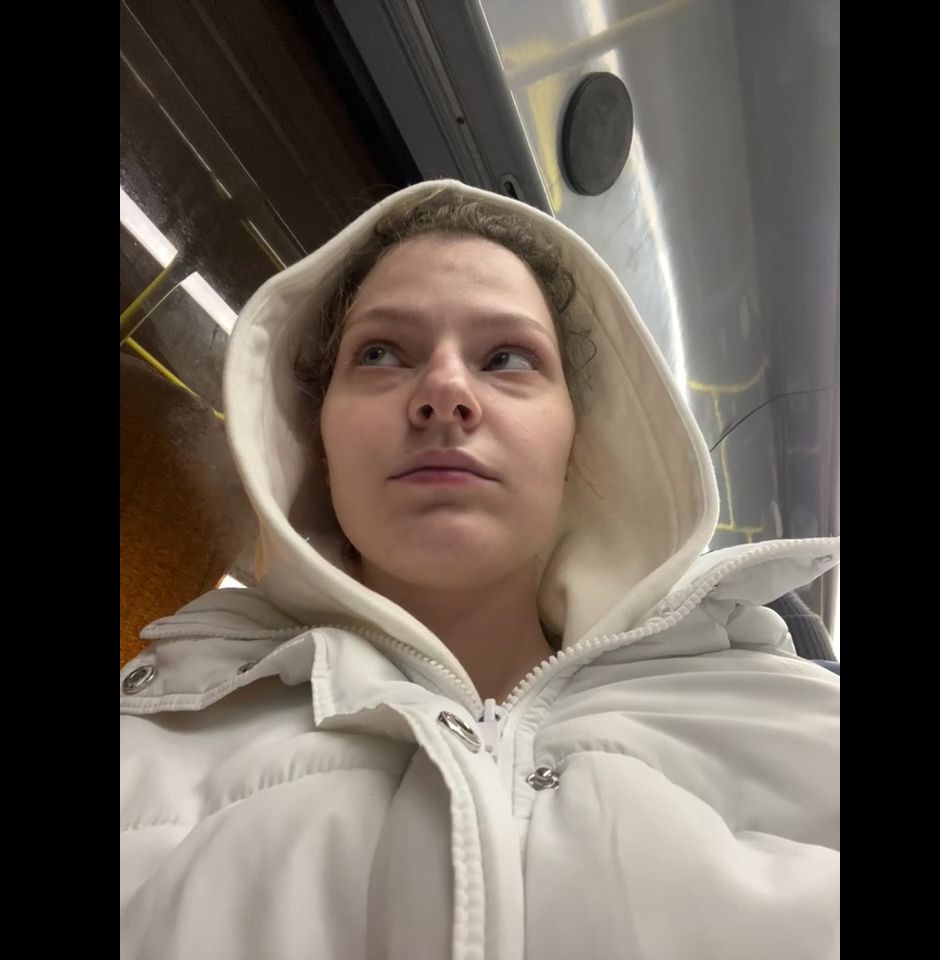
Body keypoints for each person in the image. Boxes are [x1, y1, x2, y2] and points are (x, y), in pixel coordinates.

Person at [120, 179, 839, 960]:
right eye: (380, 354)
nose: (444, 392)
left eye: (506, 358)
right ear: (318, 441)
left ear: (578, 447)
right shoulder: (151, 739)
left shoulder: (799, 717)